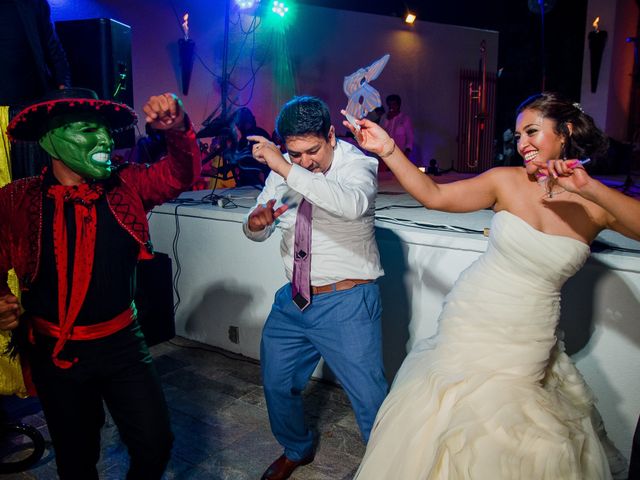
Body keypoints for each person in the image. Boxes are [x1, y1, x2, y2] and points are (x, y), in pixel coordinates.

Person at [341, 91, 639, 479]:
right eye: (517, 136)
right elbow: (434, 196)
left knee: (510, 434)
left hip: (530, 333)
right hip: (473, 315)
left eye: (532, 132)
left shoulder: (594, 204)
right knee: (449, 419)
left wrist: (591, 188)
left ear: (564, 132)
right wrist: (389, 149)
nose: (522, 144)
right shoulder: (506, 181)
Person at [0, 89, 201, 479]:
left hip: (123, 344)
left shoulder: (128, 185)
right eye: (89, 129)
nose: (106, 139)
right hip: (56, 353)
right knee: (76, 456)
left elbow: (180, 174)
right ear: (49, 139)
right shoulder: (16, 199)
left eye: (107, 131)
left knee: (155, 443)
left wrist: (177, 130)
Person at [244, 96, 388, 480]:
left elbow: (351, 204)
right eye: (294, 153)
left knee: (370, 400)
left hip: (347, 301)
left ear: (330, 135)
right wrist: (256, 224)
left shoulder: (357, 164)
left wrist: (282, 166)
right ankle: (296, 448)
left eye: (313, 151)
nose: (305, 161)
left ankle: (388, 466)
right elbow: (262, 222)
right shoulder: (286, 169)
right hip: (294, 299)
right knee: (276, 384)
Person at [0, 0, 71, 181]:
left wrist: (64, 88)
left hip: (28, 108)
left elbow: (52, 48)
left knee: (33, 183)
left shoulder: (33, 3)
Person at [380, 94, 414, 160]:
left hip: (400, 153)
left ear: (398, 105)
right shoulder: (384, 117)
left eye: (393, 104)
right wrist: (388, 120)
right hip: (386, 152)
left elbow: (410, 136)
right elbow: (380, 132)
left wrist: (407, 151)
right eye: (389, 104)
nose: (391, 107)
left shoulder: (405, 118)